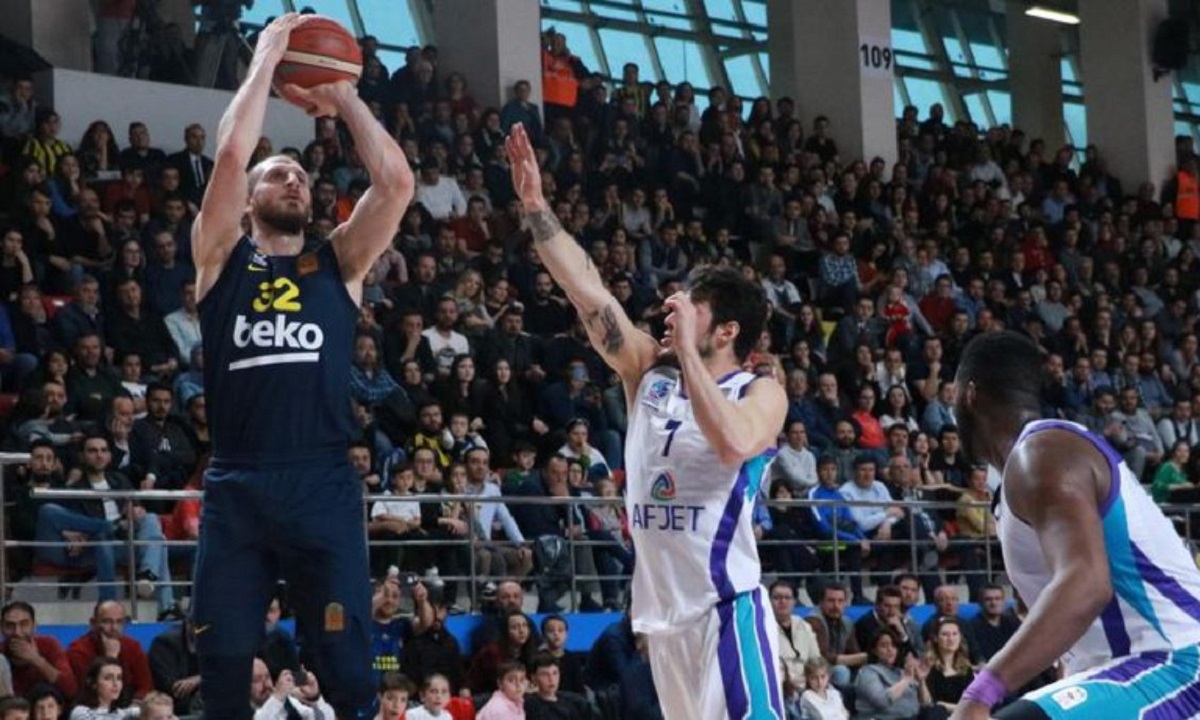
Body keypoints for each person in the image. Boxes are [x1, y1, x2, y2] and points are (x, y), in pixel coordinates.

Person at [507, 121, 788, 719]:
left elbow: (734, 443)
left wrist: (687, 354)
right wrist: (535, 208)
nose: (672, 309)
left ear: (727, 331)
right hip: (663, 626)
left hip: (725, 613)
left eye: (692, 307)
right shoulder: (649, 374)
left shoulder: (760, 392)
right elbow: (588, 293)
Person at [189, 13, 415, 720]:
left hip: (321, 480)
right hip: (240, 481)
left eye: (300, 175)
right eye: (276, 174)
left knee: (349, 666)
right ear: (250, 199)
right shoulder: (219, 257)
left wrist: (343, 94)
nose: (292, 179)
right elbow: (232, 155)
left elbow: (396, 184)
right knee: (224, 665)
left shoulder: (338, 262)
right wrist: (267, 59)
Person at [951, 330, 1200, 720]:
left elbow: (1087, 585)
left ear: (969, 394)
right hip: (1128, 674)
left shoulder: (1040, 453)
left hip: (1178, 662)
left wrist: (980, 694)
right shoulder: (1028, 471)